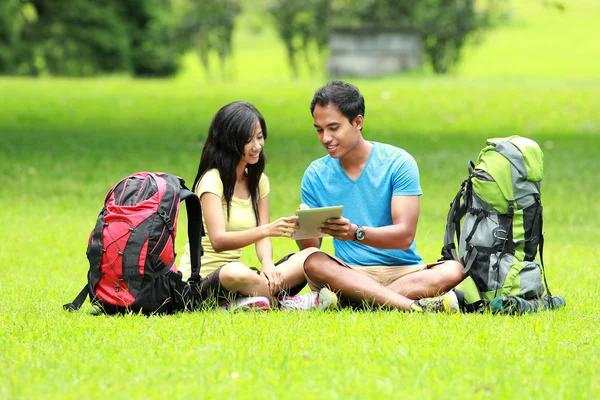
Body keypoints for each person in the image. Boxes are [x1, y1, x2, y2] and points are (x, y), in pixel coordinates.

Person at [296, 81, 465, 312]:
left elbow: (404, 235)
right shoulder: (315, 174)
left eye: (333, 128)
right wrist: (303, 227)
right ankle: (411, 306)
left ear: (358, 122)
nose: (325, 138)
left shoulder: (398, 162)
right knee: (313, 262)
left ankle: (355, 301)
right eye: (319, 129)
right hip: (349, 272)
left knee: (454, 269)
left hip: (404, 271)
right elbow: (311, 247)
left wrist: (354, 233)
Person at [178, 101, 337, 311]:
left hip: (246, 277)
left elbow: (263, 239)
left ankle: (246, 301)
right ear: (229, 141)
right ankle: (285, 304)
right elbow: (218, 241)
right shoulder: (211, 181)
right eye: (248, 140)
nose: (257, 146)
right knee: (235, 271)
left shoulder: (259, 181)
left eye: (260, 137)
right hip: (204, 282)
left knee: (309, 256)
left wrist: (268, 264)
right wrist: (267, 229)